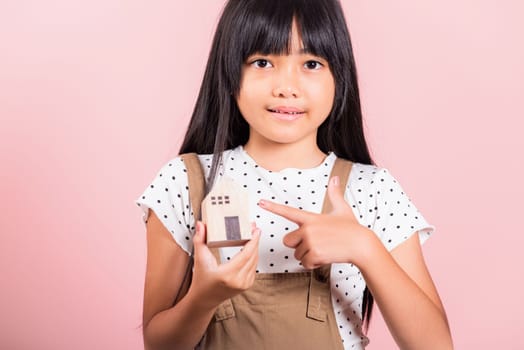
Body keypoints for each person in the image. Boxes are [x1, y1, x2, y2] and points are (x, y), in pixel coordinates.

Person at [135, 0, 453, 349]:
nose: (287, 87)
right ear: (228, 74)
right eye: (262, 62)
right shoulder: (185, 181)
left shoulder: (373, 190)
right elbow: (158, 344)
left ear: (339, 77)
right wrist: (204, 297)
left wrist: (364, 247)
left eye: (312, 63)